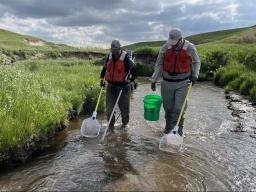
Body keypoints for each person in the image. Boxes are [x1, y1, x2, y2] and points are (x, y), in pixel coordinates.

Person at [150, 28, 200, 136]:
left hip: (182, 83)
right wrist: (154, 80)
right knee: (168, 109)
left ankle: (178, 132)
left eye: (174, 42)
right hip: (166, 82)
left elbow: (196, 61)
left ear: (180, 39)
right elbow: (159, 64)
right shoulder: (165, 47)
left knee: (178, 108)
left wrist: (195, 75)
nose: (172, 44)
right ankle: (168, 130)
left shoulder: (190, 47)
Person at [100, 40, 137, 131]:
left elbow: (134, 73)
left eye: (116, 52)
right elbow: (104, 70)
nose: (115, 54)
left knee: (124, 110)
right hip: (111, 87)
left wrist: (128, 82)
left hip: (123, 88)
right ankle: (110, 128)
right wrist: (102, 80)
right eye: (113, 52)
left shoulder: (126, 59)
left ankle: (125, 126)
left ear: (120, 49)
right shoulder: (109, 56)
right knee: (110, 110)